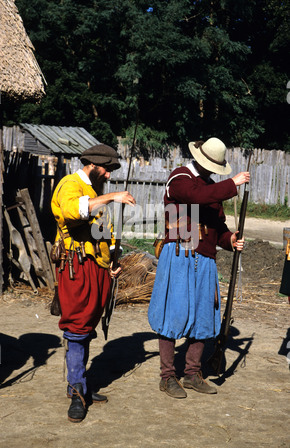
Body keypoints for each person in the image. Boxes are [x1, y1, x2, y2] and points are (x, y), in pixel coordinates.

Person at [148, 137, 250, 398]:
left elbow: (219, 228)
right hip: (180, 253)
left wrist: (230, 240)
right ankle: (168, 376)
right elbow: (195, 197)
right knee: (173, 314)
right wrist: (232, 184)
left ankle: (192, 373)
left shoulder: (213, 187)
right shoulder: (180, 178)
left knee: (204, 316)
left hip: (205, 259)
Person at [51, 143, 135, 422]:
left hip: (96, 267)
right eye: (108, 169)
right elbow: (74, 211)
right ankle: (76, 392)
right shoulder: (70, 184)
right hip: (76, 267)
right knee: (77, 326)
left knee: (87, 326)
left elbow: (102, 230)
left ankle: (80, 384)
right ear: (95, 165)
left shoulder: (95, 192)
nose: (110, 175)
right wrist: (112, 197)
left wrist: (112, 258)